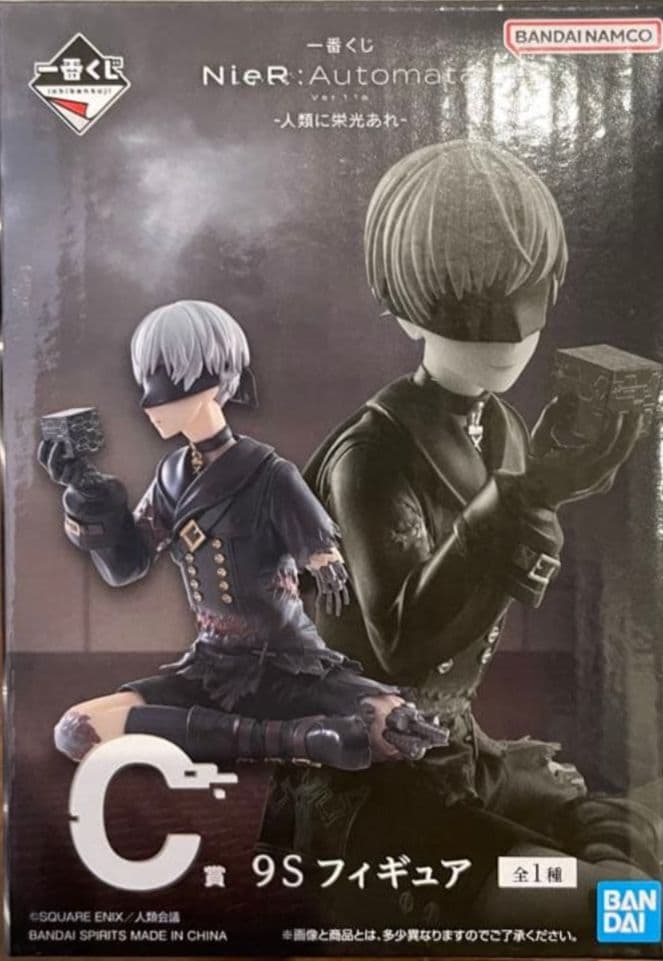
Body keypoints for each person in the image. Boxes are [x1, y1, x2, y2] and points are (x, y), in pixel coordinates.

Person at [259, 141, 662, 925]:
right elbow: (403, 643)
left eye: (527, 299)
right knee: (622, 911)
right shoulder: (370, 455)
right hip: (371, 790)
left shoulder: (503, 428)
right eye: (468, 308)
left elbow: (499, 581)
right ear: (406, 306)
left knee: (628, 837)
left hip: (459, 756)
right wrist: (526, 497)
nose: (506, 337)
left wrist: (536, 493)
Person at [39, 300, 445, 771]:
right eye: (146, 382)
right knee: (77, 729)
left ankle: (294, 733)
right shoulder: (171, 477)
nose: (149, 403)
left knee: (389, 724)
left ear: (213, 382)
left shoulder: (268, 473)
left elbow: (321, 549)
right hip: (211, 668)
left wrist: (323, 559)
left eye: (165, 382)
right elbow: (124, 566)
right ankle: (296, 740)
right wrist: (89, 492)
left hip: (288, 664)